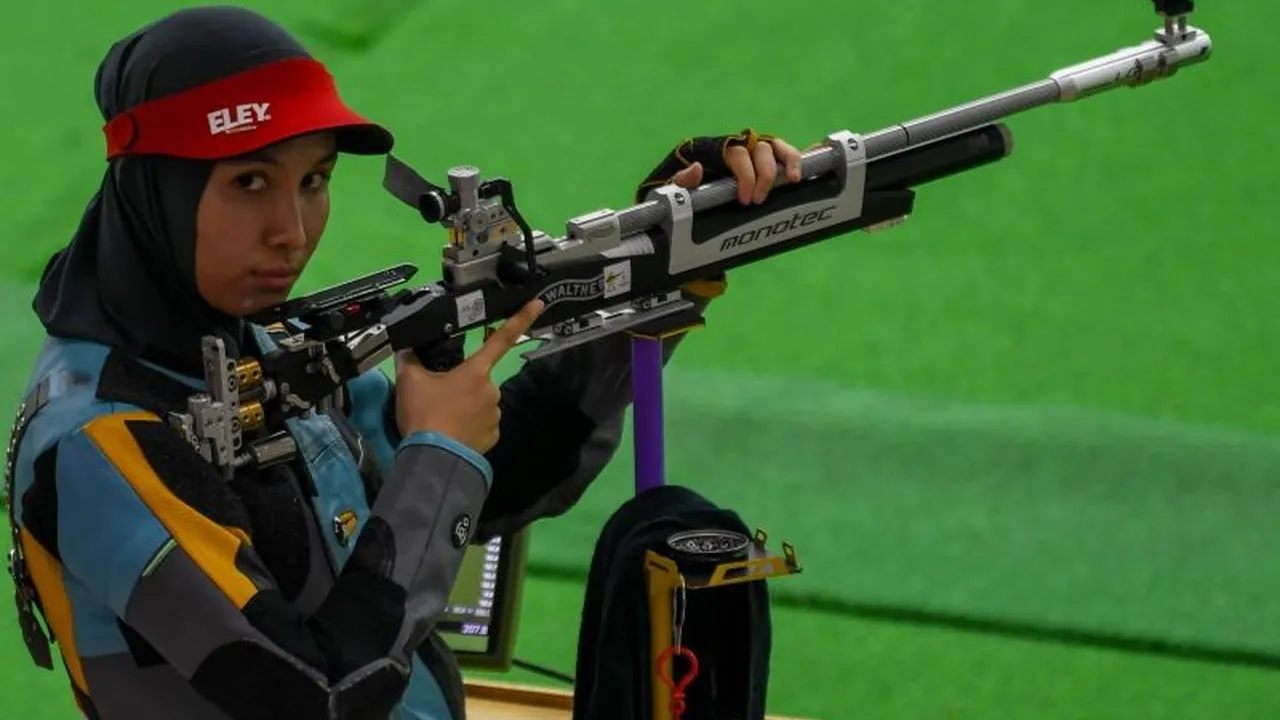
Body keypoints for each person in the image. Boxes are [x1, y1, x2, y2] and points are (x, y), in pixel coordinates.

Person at [4, 5, 805, 720]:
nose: (291, 231)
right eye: (249, 181)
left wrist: (657, 261)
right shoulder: (99, 442)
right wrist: (439, 455)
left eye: (314, 181)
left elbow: (496, 478)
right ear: (157, 191)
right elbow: (320, 694)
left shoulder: (254, 341)